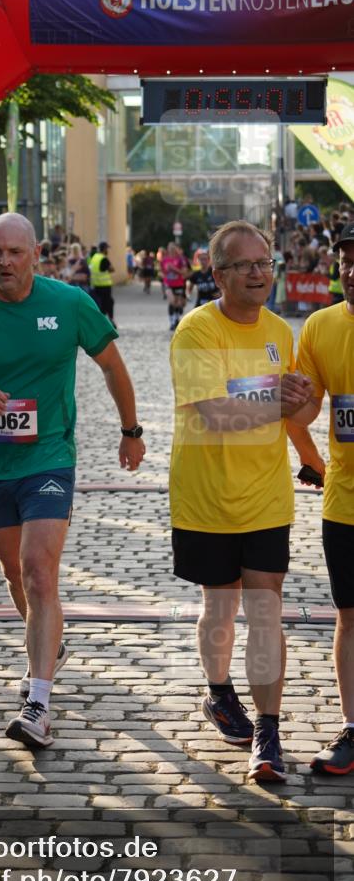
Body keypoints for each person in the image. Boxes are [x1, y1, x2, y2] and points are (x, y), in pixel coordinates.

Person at [0, 212, 145, 750]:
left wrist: (130, 430)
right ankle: (49, 641)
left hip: (49, 456)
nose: (3, 262)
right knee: (15, 577)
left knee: (38, 570)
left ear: (35, 256)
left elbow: (112, 367)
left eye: (14, 252)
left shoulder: (69, 304)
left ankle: (38, 702)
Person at [169, 220, 315, 783]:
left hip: (265, 497)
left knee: (264, 608)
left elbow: (295, 412)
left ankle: (268, 730)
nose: (259, 273)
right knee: (220, 608)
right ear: (218, 273)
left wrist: (301, 405)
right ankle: (218, 689)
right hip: (205, 496)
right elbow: (214, 413)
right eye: (245, 265)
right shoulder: (196, 331)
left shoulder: (280, 329)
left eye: (266, 263)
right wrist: (280, 403)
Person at [292, 221, 354, 775]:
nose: (352, 272)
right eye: (346, 261)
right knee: (350, 616)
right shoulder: (320, 326)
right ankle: (353, 729)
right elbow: (308, 408)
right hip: (345, 502)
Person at [161, 241, 190, 331]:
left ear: (176, 249)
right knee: (172, 301)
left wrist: (174, 269)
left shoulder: (181, 259)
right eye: (170, 248)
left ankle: (176, 319)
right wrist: (164, 275)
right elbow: (162, 272)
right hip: (168, 284)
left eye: (173, 248)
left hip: (179, 284)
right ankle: (172, 321)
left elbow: (184, 272)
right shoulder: (164, 260)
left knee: (178, 303)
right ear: (168, 249)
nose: (171, 250)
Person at [89, 241, 115, 325]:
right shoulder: (103, 258)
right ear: (104, 249)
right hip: (105, 285)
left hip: (96, 285)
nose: (108, 250)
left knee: (100, 303)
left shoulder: (94, 257)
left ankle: (102, 321)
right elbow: (112, 269)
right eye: (107, 248)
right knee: (108, 303)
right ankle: (108, 321)